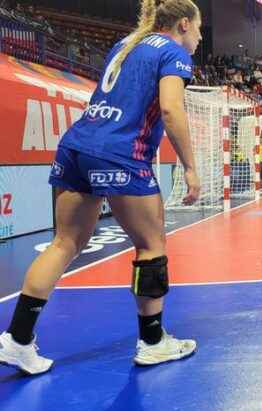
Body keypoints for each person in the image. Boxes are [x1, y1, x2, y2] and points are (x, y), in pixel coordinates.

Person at [0, 0, 202, 375]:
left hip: (77, 145)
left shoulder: (125, 44)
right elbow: (171, 109)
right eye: (200, 30)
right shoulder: (174, 52)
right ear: (184, 24)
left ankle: (17, 339)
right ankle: (154, 342)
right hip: (121, 152)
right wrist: (191, 168)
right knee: (151, 246)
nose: (200, 38)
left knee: (64, 243)